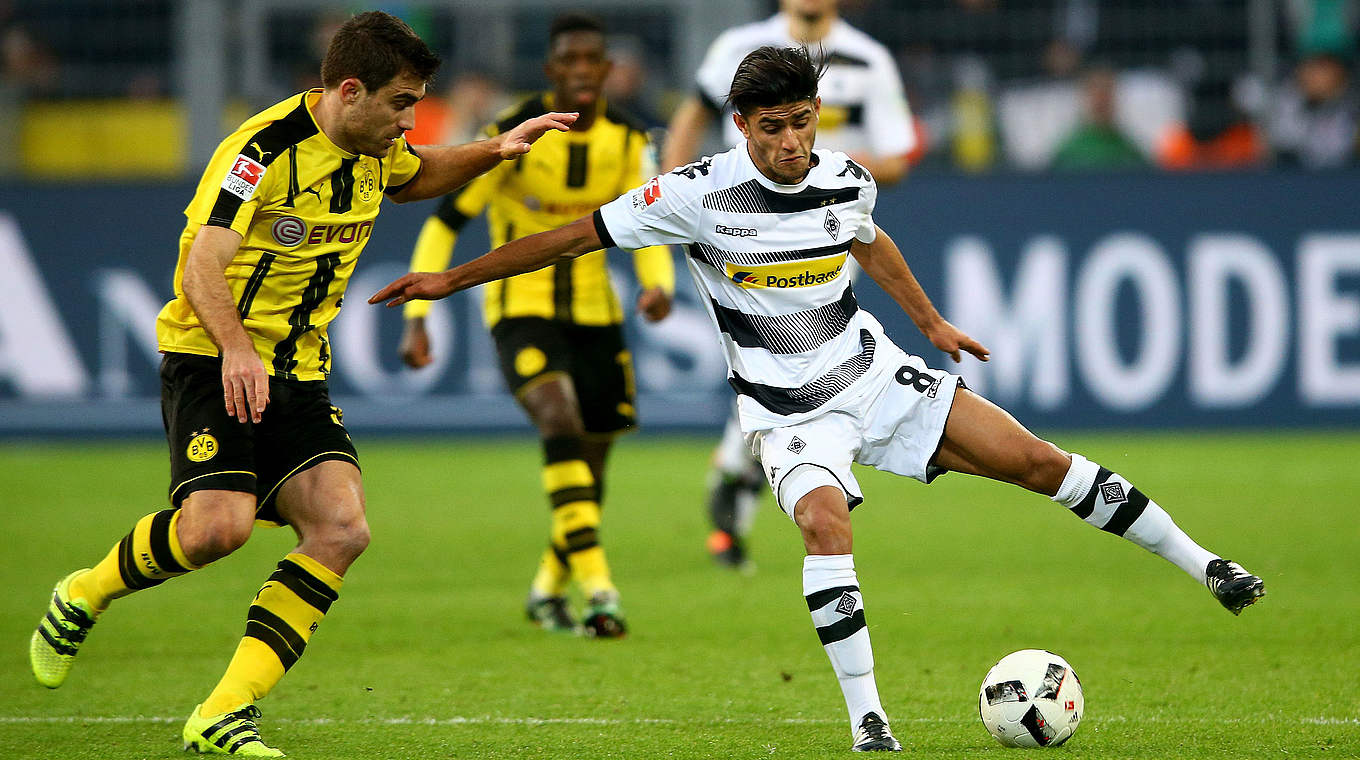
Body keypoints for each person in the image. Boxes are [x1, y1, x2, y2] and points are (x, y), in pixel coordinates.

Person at [370, 46, 1267, 753]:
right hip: (787, 413)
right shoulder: (694, 195)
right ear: (740, 126)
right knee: (826, 527)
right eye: (773, 128)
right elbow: (573, 236)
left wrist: (932, 322)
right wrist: (452, 279)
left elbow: (869, 241)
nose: (791, 143)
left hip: (875, 376)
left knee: (1039, 462)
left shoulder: (844, 176)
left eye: (802, 123)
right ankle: (869, 721)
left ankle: (1210, 567)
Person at [27, 11, 575, 757]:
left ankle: (222, 712)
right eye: (401, 103)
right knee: (215, 530)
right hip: (209, 356)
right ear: (350, 90)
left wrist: (493, 150)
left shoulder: (376, 147)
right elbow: (201, 265)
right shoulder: (259, 153)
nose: (410, 119)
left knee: (343, 530)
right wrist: (235, 350)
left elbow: (417, 178)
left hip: (300, 370)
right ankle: (83, 593)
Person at [398, 13, 674, 638]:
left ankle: (547, 590)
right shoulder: (511, 135)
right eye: (568, 62)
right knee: (558, 419)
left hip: (597, 315)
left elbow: (652, 222)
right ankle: (602, 592)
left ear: (607, 71)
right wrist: (419, 315)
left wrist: (659, 284)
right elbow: (446, 221)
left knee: (591, 465)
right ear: (551, 72)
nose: (581, 72)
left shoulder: (633, 141)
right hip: (520, 310)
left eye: (591, 62)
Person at [662, 0, 918, 572]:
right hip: (740, 224)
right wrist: (671, 193)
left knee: (796, 370)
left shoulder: (869, 60)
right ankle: (738, 485)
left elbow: (899, 159)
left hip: (824, 234)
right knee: (784, 367)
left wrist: (820, 167)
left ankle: (733, 476)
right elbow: (690, 118)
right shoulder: (739, 48)